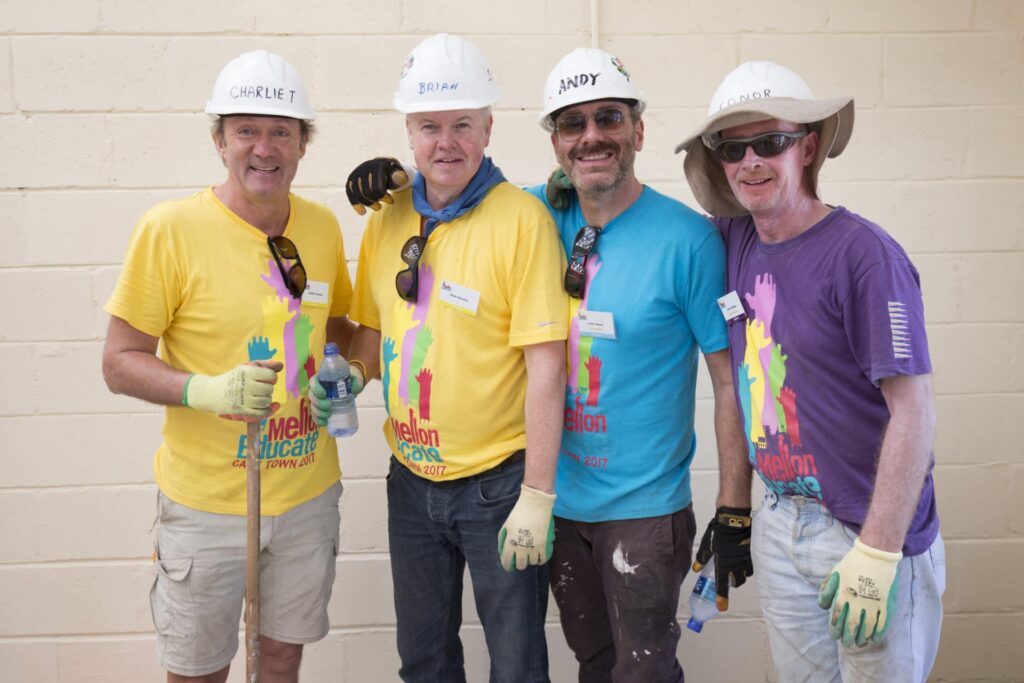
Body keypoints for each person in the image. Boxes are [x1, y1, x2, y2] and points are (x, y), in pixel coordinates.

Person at [344, 46, 750, 683]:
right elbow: (459, 190)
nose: (591, 136)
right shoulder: (540, 211)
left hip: (641, 510)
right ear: (555, 142)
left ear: (639, 130)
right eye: (572, 123)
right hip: (560, 501)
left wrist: (734, 504)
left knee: (641, 673)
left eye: (609, 118)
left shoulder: (687, 240)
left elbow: (729, 382)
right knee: (593, 662)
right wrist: (397, 174)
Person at [675, 61, 944, 682]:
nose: (751, 162)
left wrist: (878, 550)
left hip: (864, 528)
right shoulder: (734, 240)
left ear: (807, 147)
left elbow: (914, 410)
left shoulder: (865, 257)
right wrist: (572, 196)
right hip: (781, 520)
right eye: (733, 148)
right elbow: (650, 228)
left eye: (770, 142)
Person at [321, 33, 568, 683]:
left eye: (462, 124)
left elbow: (547, 365)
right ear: (409, 131)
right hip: (409, 482)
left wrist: (538, 495)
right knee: (424, 662)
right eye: (429, 126)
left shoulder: (521, 220)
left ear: (488, 128)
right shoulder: (385, 218)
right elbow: (374, 332)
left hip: (497, 486)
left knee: (516, 666)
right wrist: (351, 375)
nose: (445, 142)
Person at [102, 50, 354, 682]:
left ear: (302, 145)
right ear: (219, 140)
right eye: (246, 130)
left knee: (282, 660)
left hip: (307, 494)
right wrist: (204, 390)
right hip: (206, 506)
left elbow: (341, 331)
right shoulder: (170, 230)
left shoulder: (322, 228)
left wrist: (348, 374)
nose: (264, 148)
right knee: (199, 671)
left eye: (281, 132)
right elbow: (119, 362)